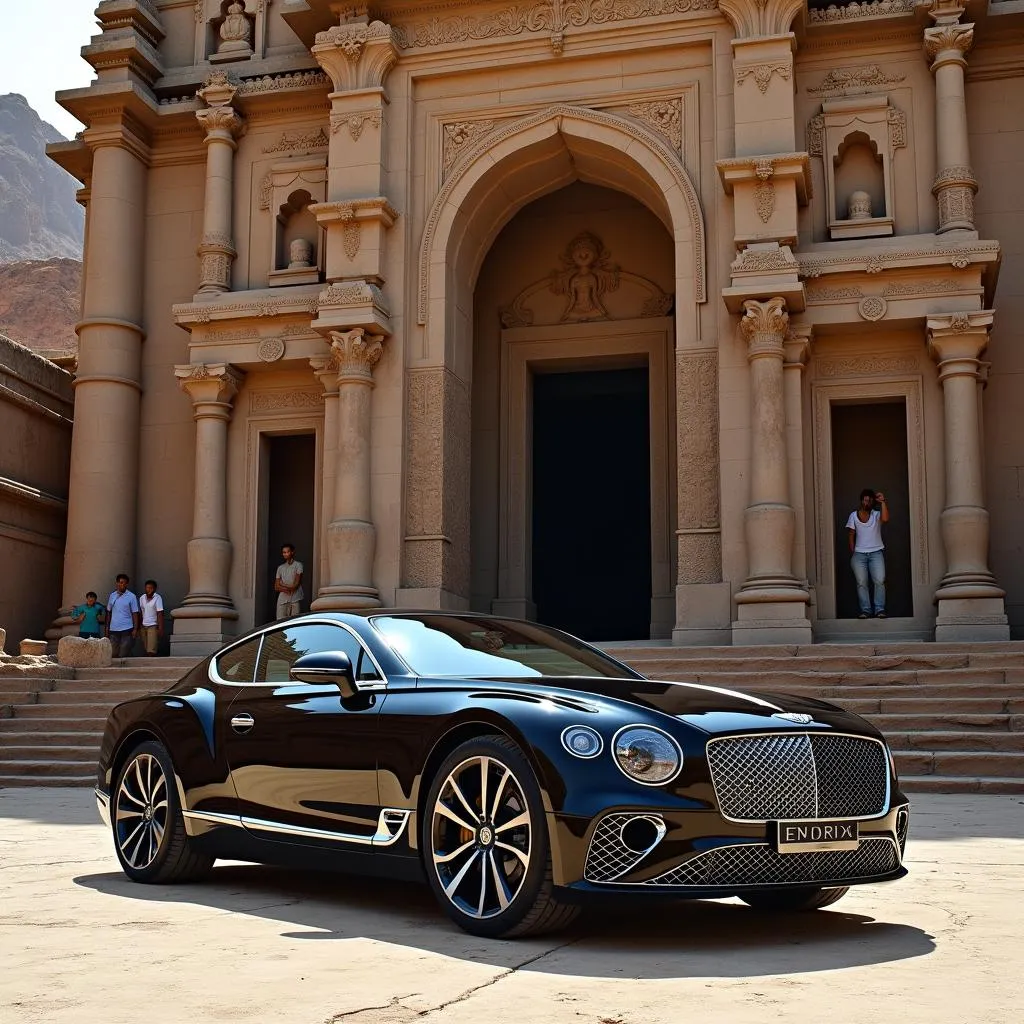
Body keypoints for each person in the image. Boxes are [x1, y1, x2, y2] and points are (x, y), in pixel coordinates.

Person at [846, 489, 890, 619]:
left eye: (870, 500)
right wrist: (853, 552)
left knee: (880, 581)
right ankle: (865, 610)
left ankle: (879, 609)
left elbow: (886, 519)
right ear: (861, 500)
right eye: (865, 500)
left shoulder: (876, 515)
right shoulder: (853, 515)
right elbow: (851, 534)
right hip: (859, 555)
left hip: (876, 553)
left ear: (873, 502)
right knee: (861, 583)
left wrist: (882, 502)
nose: (867, 502)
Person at [105, 573, 141, 657]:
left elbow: (135, 613)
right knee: (113, 652)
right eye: (120, 582)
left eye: (124, 583)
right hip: (114, 628)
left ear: (127, 584)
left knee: (124, 652)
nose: (122, 585)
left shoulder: (131, 596)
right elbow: (108, 612)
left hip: (127, 628)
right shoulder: (112, 596)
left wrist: (135, 629)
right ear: (117, 583)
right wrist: (107, 628)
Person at [274, 544, 304, 620]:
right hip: (282, 599)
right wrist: (286, 590)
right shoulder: (280, 568)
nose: (286, 554)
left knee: (295, 622)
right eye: (284, 552)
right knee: (280, 622)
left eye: (287, 552)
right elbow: (276, 587)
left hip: (295, 598)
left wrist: (282, 584)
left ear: (292, 552)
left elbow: (295, 585)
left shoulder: (298, 565)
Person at [139, 579, 165, 657]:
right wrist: (139, 627)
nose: (149, 590)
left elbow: (160, 613)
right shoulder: (142, 598)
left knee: (151, 649)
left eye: (151, 588)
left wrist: (160, 628)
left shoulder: (157, 598)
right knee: (146, 648)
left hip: (153, 625)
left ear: (154, 589)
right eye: (147, 588)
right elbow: (141, 611)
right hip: (144, 625)